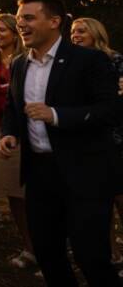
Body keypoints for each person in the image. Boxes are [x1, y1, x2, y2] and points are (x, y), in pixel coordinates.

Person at [0, 0, 120, 287]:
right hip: (39, 174)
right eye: (19, 20)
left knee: (91, 256)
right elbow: (13, 109)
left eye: (29, 18)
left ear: (54, 22)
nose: (21, 25)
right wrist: (10, 133)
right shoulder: (18, 65)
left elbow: (110, 110)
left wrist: (56, 115)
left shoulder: (89, 60)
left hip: (85, 172)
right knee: (48, 253)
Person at [0, 14, 34, 268]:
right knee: (13, 193)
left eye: (2, 30)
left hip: (29, 129)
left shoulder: (27, 60)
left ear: (14, 32)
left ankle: (48, 245)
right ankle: (29, 247)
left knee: (33, 193)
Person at [71, 17, 123, 264]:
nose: (75, 35)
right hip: (86, 140)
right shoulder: (69, 65)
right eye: (72, 32)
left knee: (120, 197)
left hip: (116, 137)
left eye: (81, 31)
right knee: (100, 201)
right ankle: (111, 252)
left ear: (95, 33)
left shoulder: (115, 60)